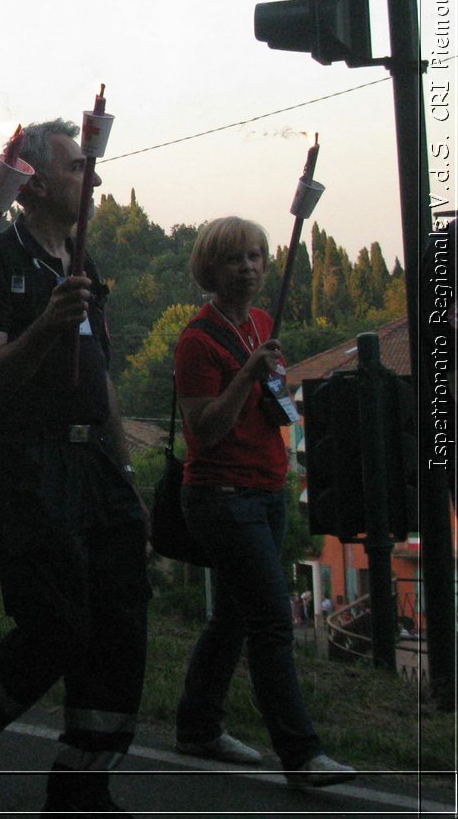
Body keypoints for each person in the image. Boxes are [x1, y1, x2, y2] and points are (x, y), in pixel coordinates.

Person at [0, 118, 148, 816]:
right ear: (33, 184)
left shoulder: (82, 259)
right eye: (77, 167)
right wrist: (44, 325)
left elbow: (100, 376)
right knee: (57, 625)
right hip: (29, 461)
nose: (91, 178)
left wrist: (122, 468)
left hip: (95, 461)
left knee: (121, 621)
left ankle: (82, 788)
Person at [172, 216, 355, 788]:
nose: (248, 268)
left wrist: (266, 374)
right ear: (211, 268)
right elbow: (204, 431)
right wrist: (249, 373)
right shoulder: (197, 341)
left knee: (232, 617)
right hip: (222, 497)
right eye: (235, 259)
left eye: (255, 256)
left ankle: (198, 726)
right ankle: (300, 754)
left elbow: (272, 405)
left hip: (267, 491)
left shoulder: (262, 323)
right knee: (273, 621)